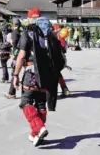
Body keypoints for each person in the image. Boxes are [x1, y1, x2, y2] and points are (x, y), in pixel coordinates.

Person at [12, 8, 64, 146]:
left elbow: (22, 55)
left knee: (25, 101)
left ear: (29, 18)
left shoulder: (28, 32)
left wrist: (15, 74)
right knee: (41, 103)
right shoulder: (51, 33)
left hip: (31, 74)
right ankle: (35, 134)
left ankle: (39, 128)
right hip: (47, 75)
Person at [5, 17, 22, 99]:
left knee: (14, 73)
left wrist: (10, 41)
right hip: (21, 53)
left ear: (13, 24)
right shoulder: (21, 31)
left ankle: (11, 92)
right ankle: (13, 91)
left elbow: (14, 43)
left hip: (17, 55)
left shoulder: (15, 32)